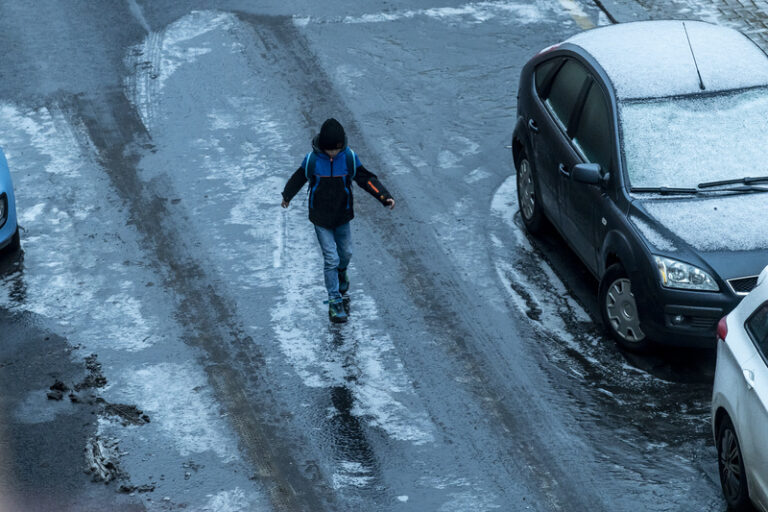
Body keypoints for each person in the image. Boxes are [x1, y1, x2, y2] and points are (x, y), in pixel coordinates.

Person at [281, 118, 395, 323]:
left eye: (337, 149)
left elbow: (366, 179)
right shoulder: (312, 161)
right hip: (320, 218)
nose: (333, 153)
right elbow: (299, 178)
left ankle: (342, 274)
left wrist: (383, 197)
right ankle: (334, 300)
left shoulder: (349, 158)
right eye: (329, 150)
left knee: (346, 254)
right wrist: (287, 196)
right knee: (331, 258)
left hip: (342, 215)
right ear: (322, 146)